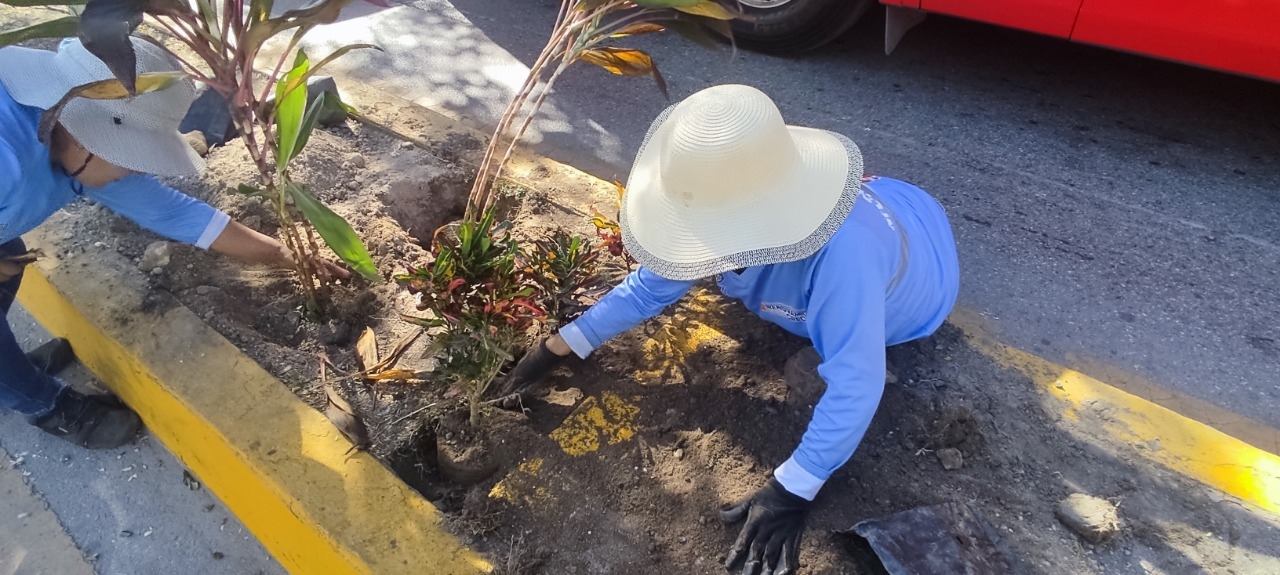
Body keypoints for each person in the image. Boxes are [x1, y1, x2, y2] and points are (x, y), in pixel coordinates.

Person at [499, 84, 960, 575]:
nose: (694, 241)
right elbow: (647, 290)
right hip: (899, 197)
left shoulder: (843, 261)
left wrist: (792, 488)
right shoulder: (726, 192)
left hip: (919, 285)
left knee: (821, 332)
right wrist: (559, 346)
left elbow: (858, 380)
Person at [0, 37, 349, 450]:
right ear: (82, 137)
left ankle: (8, 371)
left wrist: (285, 255)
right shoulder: (10, 158)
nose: (137, 167)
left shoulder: (81, 155)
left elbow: (179, 216)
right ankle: (42, 403)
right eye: (129, 154)